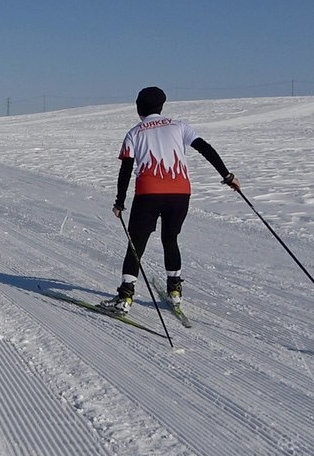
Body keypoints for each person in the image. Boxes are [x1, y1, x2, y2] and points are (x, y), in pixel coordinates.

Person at [101, 86, 241, 314]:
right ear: (161, 106)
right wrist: (228, 176)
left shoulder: (134, 133)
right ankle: (175, 292)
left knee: (136, 244)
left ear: (138, 108)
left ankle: (125, 298)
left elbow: (125, 170)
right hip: (180, 193)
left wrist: (119, 201)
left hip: (148, 194)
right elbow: (205, 149)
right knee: (170, 238)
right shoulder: (179, 126)